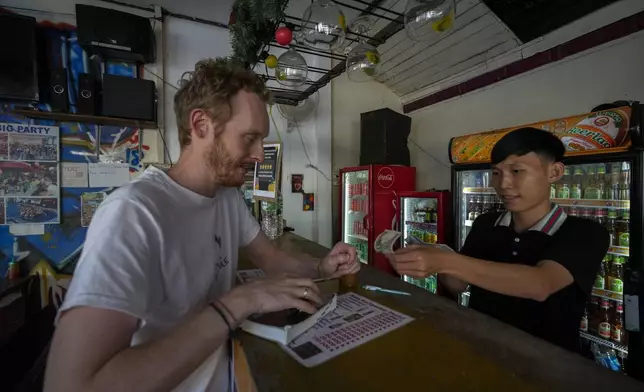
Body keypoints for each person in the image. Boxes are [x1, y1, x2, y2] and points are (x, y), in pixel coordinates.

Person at [44, 58, 360, 392]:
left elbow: (272, 259)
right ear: (200, 125)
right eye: (250, 138)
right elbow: (72, 385)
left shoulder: (225, 197)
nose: (259, 155)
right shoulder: (132, 214)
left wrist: (321, 265)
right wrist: (238, 303)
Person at [389, 127, 609, 351]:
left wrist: (445, 261)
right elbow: (458, 285)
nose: (503, 184)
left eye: (517, 171)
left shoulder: (584, 232)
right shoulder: (486, 224)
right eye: (496, 173)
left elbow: (540, 284)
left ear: (554, 172)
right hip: (482, 350)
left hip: (547, 368)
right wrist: (431, 258)